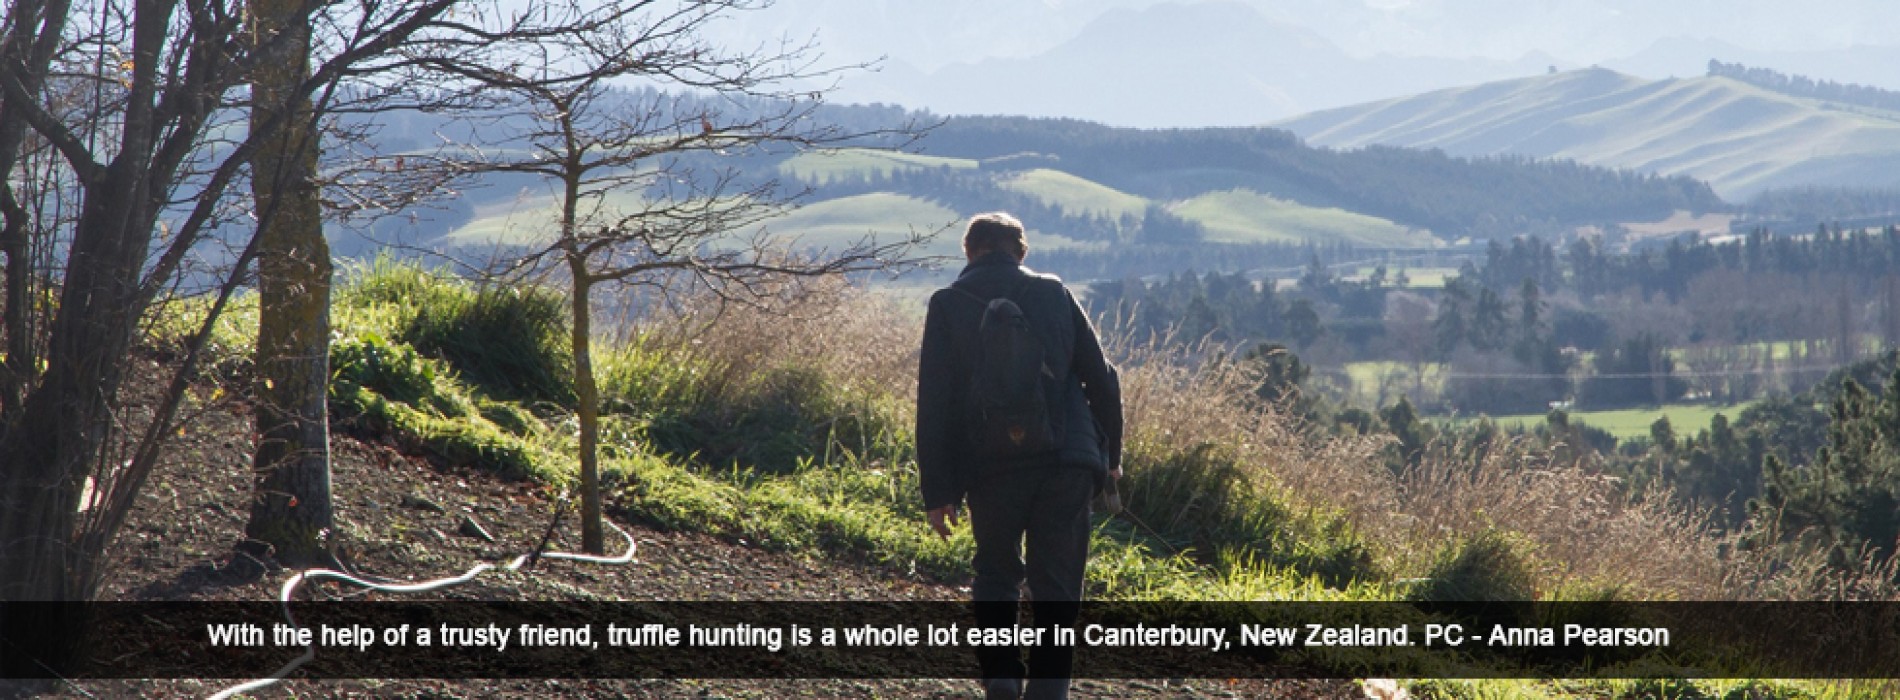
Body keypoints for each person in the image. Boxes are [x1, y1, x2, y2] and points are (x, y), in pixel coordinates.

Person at [916, 212, 1123, 700]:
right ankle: (1048, 692)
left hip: (990, 466)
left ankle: (1002, 679)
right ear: (1020, 251)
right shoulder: (1054, 291)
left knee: (996, 572)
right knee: (1057, 586)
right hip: (1066, 462)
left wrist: (938, 491)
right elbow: (1102, 378)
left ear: (969, 251)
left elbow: (935, 403)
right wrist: (1109, 454)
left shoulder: (947, 304)